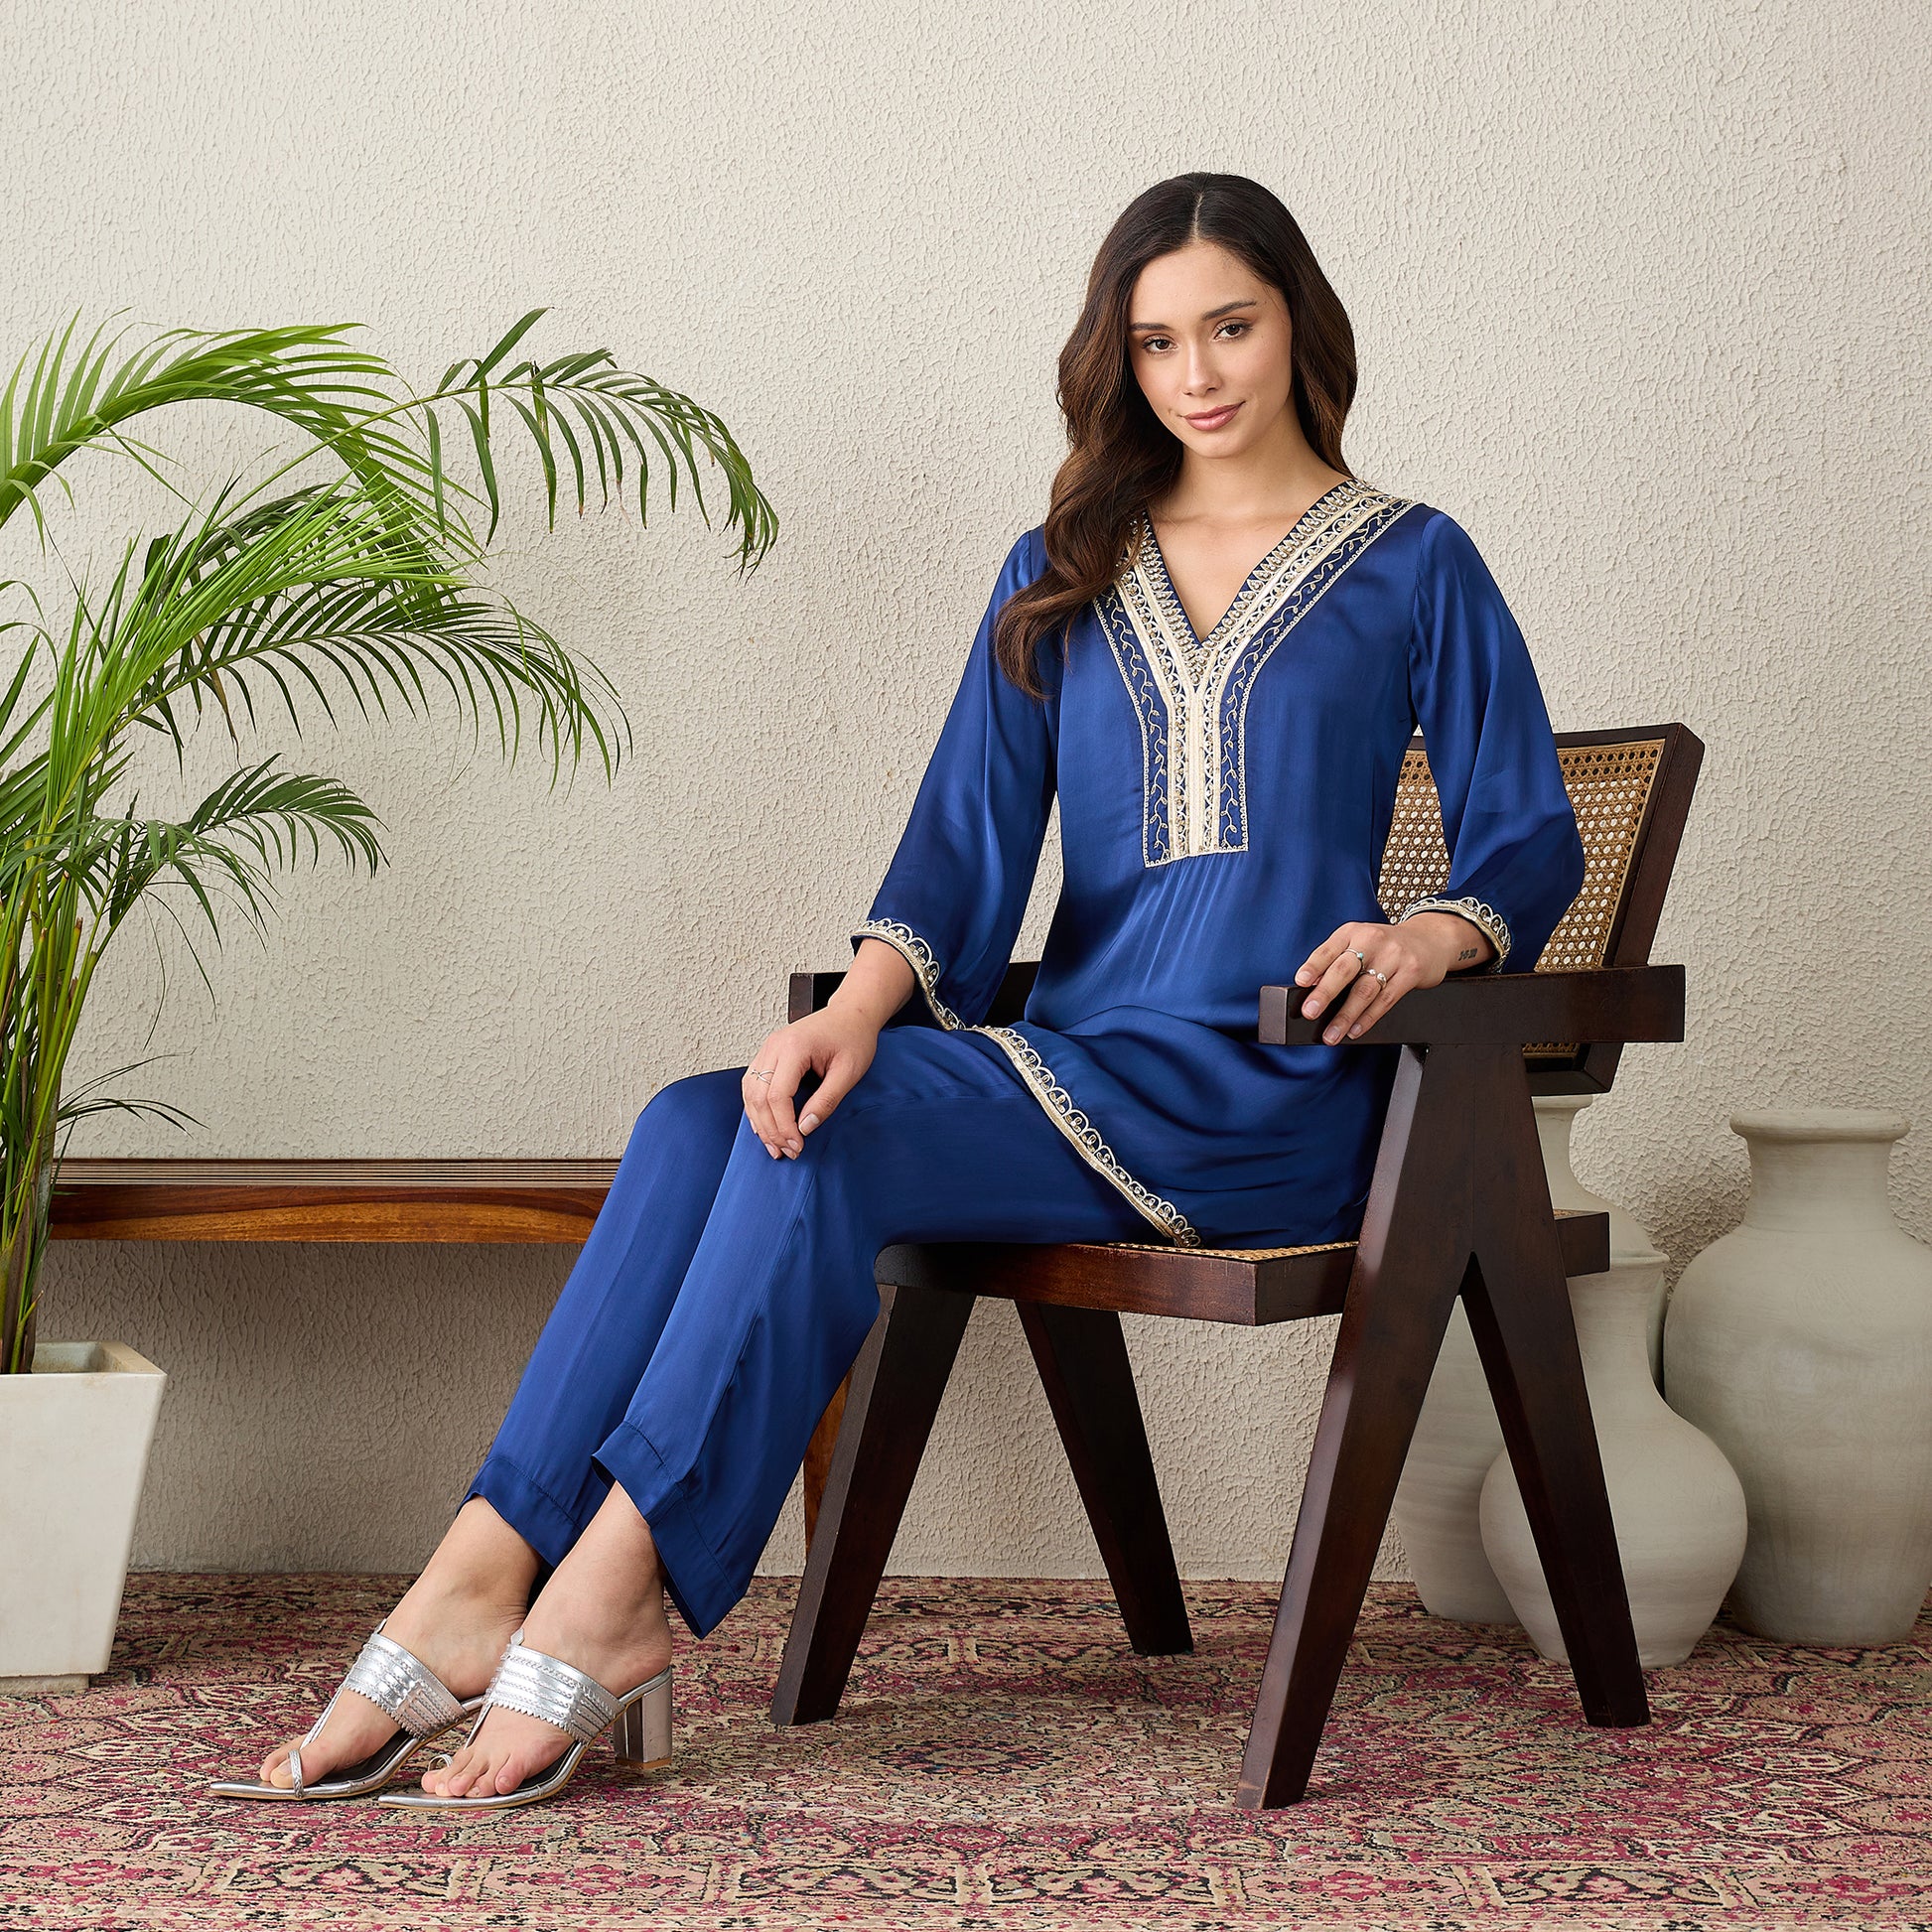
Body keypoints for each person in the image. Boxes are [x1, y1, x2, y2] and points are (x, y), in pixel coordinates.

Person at [210, 171, 1584, 1812]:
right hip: (1074, 1065)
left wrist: (1435, 935)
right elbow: (960, 846)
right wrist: (856, 1005)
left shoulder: (1414, 562)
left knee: (832, 1141)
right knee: (703, 1115)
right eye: (1156, 342)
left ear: (1297, 321)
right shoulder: (1061, 566)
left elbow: (1526, 833)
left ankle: (608, 1594)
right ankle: (479, 1571)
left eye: (1229, 325)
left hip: (1272, 1095)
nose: (1197, 373)